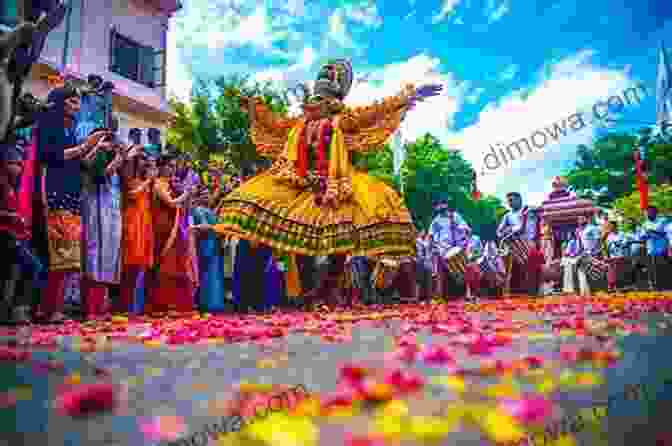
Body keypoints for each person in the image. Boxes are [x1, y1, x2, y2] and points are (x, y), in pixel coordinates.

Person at [208, 59, 440, 264]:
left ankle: (331, 287)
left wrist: (408, 95)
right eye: (315, 98)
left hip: (334, 185)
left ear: (333, 100)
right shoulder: (297, 124)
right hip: (297, 182)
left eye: (322, 99)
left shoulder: (344, 120)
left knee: (342, 234)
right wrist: (252, 108)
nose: (317, 102)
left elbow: (376, 112)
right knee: (252, 203)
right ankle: (303, 290)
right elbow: (273, 124)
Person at [24, 85, 110, 323]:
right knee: (55, 254)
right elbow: (52, 156)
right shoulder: (48, 126)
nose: (77, 106)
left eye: (77, 102)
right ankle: (44, 310)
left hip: (71, 197)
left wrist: (93, 147)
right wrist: (86, 145)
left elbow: (81, 163)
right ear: (59, 103)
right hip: (53, 193)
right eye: (72, 102)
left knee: (68, 258)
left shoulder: (70, 129)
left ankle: (55, 309)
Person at [79, 129, 125, 319]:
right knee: (95, 253)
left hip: (110, 210)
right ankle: (91, 308)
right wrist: (117, 160)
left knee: (108, 255)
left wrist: (120, 158)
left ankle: (101, 306)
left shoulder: (110, 156)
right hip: (96, 207)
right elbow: (98, 177)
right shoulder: (96, 155)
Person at [145, 152, 197, 315]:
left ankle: (179, 305)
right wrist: (187, 193)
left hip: (177, 227)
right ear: (161, 167)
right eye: (170, 166)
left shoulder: (173, 183)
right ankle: (162, 306)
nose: (173, 169)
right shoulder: (158, 184)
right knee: (165, 266)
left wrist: (187, 194)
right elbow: (172, 203)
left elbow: (185, 206)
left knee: (178, 264)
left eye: (174, 166)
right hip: (164, 227)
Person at [0, 143, 41, 324]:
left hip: (13, 235)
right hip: (4, 234)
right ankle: (17, 310)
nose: (19, 167)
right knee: (33, 266)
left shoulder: (13, 185)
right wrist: (12, 217)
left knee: (13, 272)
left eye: (20, 163)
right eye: (14, 163)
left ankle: (12, 310)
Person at [118, 144, 154, 314]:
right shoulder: (128, 175)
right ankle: (124, 306)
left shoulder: (145, 179)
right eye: (141, 159)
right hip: (132, 221)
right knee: (129, 264)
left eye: (144, 159)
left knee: (139, 266)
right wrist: (148, 180)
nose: (143, 162)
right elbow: (132, 194)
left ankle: (133, 307)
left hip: (144, 222)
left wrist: (149, 177)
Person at [190, 186, 229, 313]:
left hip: (213, 244)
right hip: (205, 244)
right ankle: (207, 304)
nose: (207, 196)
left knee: (213, 273)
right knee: (207, 274)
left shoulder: (209, 210)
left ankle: (212, 303)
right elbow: (203, 226)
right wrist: (215, 228)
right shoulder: (199, 210)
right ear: (199, 197)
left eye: (208, 194)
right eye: (204, 194)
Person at [496, 192, 542, 295]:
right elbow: (499, 232)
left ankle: (534, 292)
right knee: (516, 272)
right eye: (508, 201)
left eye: (512, 200)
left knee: (533, 269)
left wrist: (533, 210)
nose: (510, 203)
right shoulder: (507, 216)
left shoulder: (529, 209)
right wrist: (509, 231)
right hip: (515, 245)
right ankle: (517, 293)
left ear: (519, 199)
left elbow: (542, 209)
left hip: (531, 243)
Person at [430, 201, 469, 300]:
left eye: (441, 204)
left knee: (463, 271)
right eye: (436, 205)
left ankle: (467, 293)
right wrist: (434, 246)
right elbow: (430, 235)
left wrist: (464, 238)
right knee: (440, 272)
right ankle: (441, 295)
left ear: (446, 205)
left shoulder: (455, 216)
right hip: (441, 249)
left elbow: (465, 228)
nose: (438, 207)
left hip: (456, 247)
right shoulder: (435, 221)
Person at [640, 206, 669, 289]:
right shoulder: (644, 224)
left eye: (649, 212)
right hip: (651, 249)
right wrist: (646, 234)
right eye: (646, 212)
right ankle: (653, 285)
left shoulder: (662, 221)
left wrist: (653, 231)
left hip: (662, 249)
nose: (647, 214)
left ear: (655, 212)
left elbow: (665, 233)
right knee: (652, 268)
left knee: (663, 268)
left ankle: (665, 284)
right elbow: (642, 237)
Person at [604, 221, 631, 292]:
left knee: (622, 274)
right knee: (614, 274)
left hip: (622, 256)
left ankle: (623, 287)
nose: (610, 228)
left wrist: (619, 244)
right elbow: (607, 247)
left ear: (616, 226)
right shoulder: (609, 237)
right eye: (609, 227)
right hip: (613, 257)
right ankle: (614, 288)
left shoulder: (622, 234)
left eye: (612, 226)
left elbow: (625, 243)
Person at [415, 230, 433, 302]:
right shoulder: (418, 241)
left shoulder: (427, 241)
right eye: (422, 231)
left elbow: (430, 251)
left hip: (428, 264)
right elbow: (420, 252)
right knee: (419, 281)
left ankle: (428, 298)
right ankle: (418, 298)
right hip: (420, 263)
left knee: (428, 281)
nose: (424, 233)